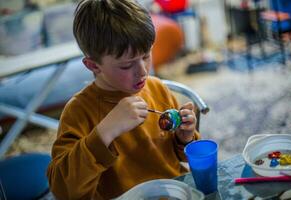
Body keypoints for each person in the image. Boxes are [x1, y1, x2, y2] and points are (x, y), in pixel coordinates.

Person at [47, 0, 200, 199]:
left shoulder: (157, 89)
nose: (143, 71)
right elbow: (63, 189)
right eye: (127, 66)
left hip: (173, 192)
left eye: (146, 56)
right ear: (93, 66)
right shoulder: (78, 111)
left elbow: (185, 157)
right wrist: (105, 132)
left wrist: (185, 137)